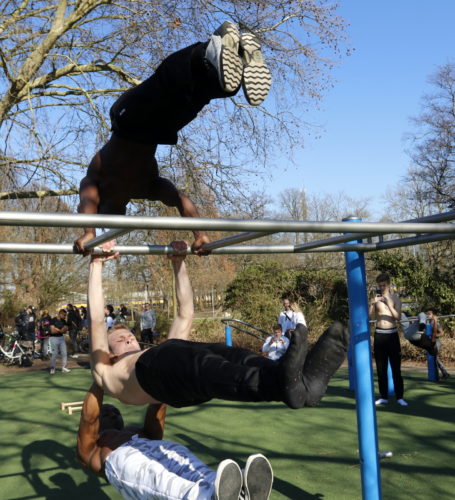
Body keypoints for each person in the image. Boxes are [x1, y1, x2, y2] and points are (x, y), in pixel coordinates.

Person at [74, 20, 272, 255]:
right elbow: (180, 199)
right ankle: (239, 54)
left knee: (166, 82)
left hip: (127, 120)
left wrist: (89, 232)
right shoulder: (147, 188)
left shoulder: (96, 180)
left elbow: (86, 203)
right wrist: (200, 234)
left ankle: (211, 46)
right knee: (201, 94)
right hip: (159, 129)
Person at [87, 240, 348, 410]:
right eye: (120, 339)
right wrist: (96, 263)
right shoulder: (105, 372)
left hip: (177, 377)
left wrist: (179, 263)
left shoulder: (157, 350)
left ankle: (302, 385)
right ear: (108, 351)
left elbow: (185, 314)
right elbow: (97, 320)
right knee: (209, 365)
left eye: (130, 336)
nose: (129, 339)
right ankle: (287, 385)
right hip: (157, 375)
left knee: (229, 355)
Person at [77, 382, 274, 500]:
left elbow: (157, 411)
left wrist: (157, 381)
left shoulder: (135, 432)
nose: (113, 413)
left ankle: (236, 493)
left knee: (189, 464)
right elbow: (88, 418)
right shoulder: (92, 449)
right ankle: (206, 498)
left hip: (156, 448)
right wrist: (99, 382)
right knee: (160, 479)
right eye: (106, 412)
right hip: (124, 461)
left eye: (116, 411)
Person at [369, 272, 407, 407]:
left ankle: (399, 397)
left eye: (383, 285)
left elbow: (397, 317)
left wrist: (388, 304)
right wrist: (372, 304)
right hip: (379, 335)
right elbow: (369, 316)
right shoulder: (376, 298)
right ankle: (383, 397)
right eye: (379, 286)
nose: (381, 288)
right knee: (381, 369)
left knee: (396, 368)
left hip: (392, 335)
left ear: (389, 284)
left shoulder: (395, 298)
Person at [49, 309, 70, 374]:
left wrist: (57, 329)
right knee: (54, 354)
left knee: (64, 353)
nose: (65, 317)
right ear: (60, 314)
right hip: (53, 338)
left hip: (61, 338)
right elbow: (52, 331)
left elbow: (65, 331)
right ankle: (52, 368)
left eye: (65, 315)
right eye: (64, 315)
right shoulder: (53, 320)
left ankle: (64, 367)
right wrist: (60, 330)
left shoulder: (64, 321)